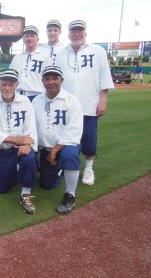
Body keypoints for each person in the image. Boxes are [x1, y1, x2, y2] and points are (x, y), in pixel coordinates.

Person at [54, 20, 114, 186]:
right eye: (74, 31)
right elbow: (56, 79)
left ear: (85, 33)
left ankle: (88, 167)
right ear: (68, 34)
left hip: (89, 104)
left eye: (80, 31)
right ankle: (64, 165)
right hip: (65, 105)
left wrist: (103, 101)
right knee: (64, 136)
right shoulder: (61, 53)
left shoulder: (98, 51)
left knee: (88, 138)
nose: (77, 34)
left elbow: (105, 79)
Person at [0, 69, 39, 214]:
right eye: (4, 84)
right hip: (3, 148)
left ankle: (25, 194)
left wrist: (27, 144)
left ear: (16, 85)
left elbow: (31, 126)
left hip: (22, 147)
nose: (7, 88)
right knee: (1, 189)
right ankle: (16, 170)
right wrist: (16, 139)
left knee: (30, 158)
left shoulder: (25, 101)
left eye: (11, 85)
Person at [32, 65, 83, 214]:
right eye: (47, 79)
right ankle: (58, 171)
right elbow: (31, 127)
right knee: (47, 185)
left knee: (70, 155)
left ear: (62, 80)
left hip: (66, 146)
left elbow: (74, 130)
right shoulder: (36, 100)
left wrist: (55, 150)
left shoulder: (72, 101)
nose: (51, 82)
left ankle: (70, 194)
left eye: (55, 78)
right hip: (45, 149)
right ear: (42, 81)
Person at [9, 25, 52, 101]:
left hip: (38, 97)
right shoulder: (17, 58)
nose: (29, 38)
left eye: (32, 36)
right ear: (23, 39)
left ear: (37, 39)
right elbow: (10, 78)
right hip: (18, 96)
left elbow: (49, 79)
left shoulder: (45, 57)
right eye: (27, 36)